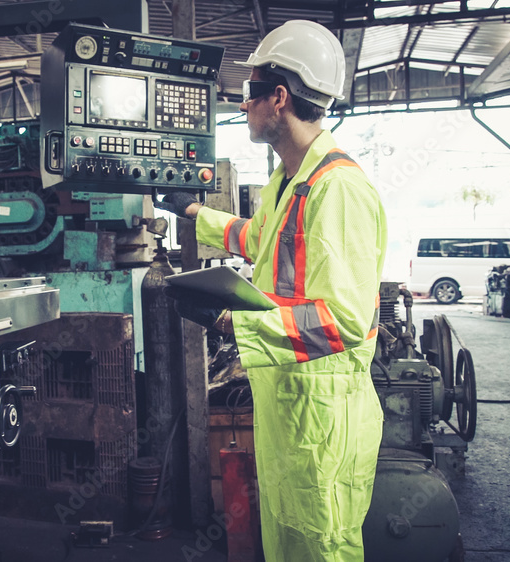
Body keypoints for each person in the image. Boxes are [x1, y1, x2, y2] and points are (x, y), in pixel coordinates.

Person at [157, 20, 387, 562]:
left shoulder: (339, 189)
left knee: (321, 546)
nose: (243, 107)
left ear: (277, 98)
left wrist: (230, 324)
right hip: (290, 400)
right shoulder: (294, 180)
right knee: (285, 542)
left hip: (323, 411)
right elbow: (260, 238)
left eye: (248, 94)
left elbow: (344, 320)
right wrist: (191, 212)